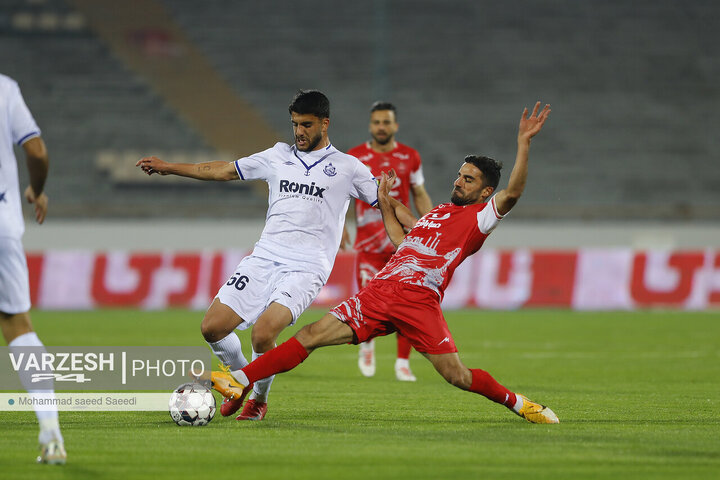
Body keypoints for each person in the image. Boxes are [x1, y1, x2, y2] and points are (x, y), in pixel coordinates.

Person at [209, 102, 560, 424]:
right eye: (459, 174)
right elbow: (400, 241)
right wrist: (384, 200)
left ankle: (519, 403)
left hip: (417, 302)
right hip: (378, 294)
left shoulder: (480, 219)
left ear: (485, 193)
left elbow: (512, 193)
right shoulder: (437, 213)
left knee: (458, 376)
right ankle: (240, 380)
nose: (458, 181)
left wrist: (524, 143)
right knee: (311, 335)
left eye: (468, 179)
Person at [137, 90, 412, 421]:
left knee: (264, 333)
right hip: (264, 257)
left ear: (325, 124)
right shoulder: (277, 155)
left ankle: (258, 397)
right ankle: (239, 383)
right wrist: (169, 168)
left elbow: (387, 203)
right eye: (295, 124)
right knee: (211, 328)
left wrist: (424, 230)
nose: (299, 132)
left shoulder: (347, 167)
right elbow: (222, 170)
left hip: (308, 268)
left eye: (307, 125)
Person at [0, 73, 67, 463]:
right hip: (4, 225)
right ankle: (50, 431)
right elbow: (37, 151)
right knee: (18, 326)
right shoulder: (5, 88)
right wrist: (37, 190)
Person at [344, 101, 433, 382]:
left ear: (395, 125)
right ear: (370, 126)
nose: (381, 127)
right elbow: (341, 193)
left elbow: (419, 192)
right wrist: (340, 225)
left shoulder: (410, 157)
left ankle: (402, 364)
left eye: (386, 122)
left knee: (407, 302)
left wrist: (430, 223)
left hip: (402, 244)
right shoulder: (354, 157)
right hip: (368, 246)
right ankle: (367, 345)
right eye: (377, 122)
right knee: (369, 302)